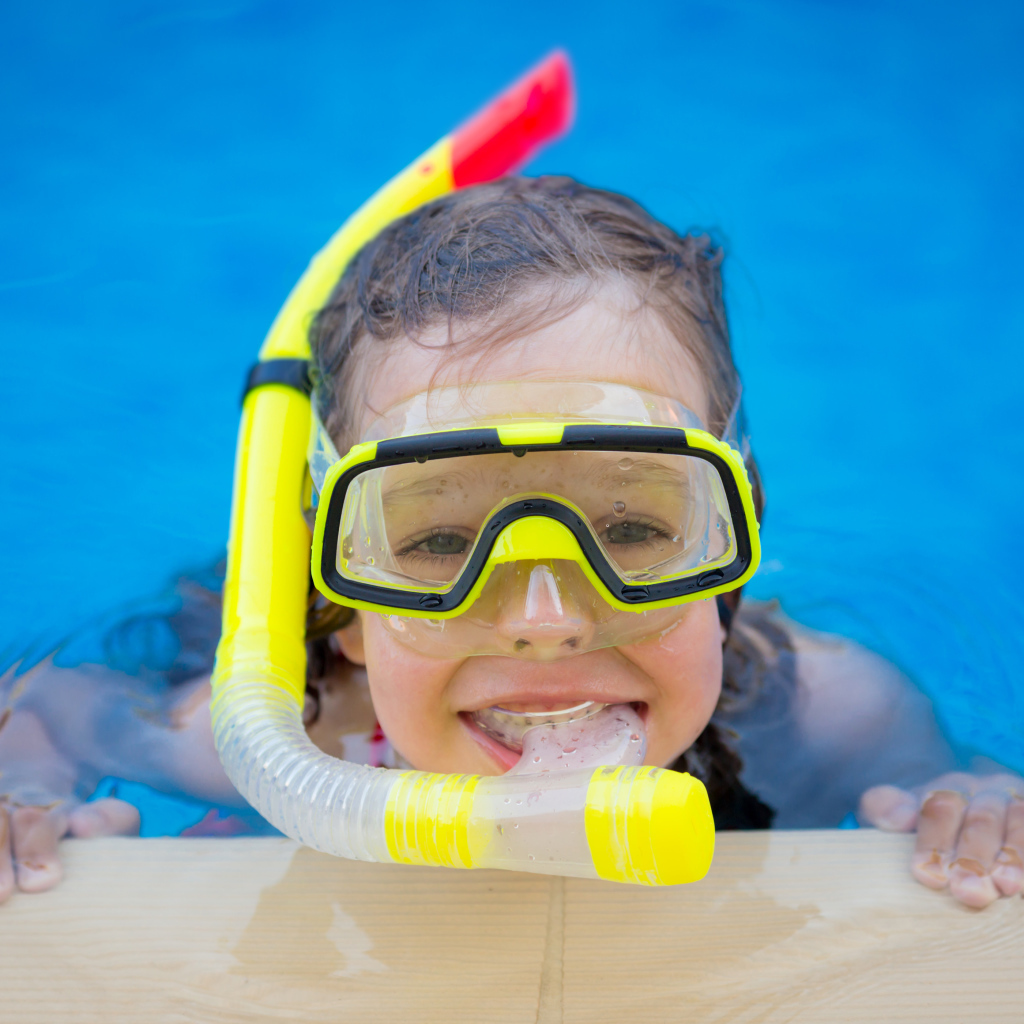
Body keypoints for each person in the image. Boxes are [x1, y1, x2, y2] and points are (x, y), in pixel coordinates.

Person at [2, 176, 1020, 907]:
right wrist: (28, 791)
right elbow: (50, 712)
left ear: (734, 543)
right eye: (441, 537)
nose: (546, 620)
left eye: (629, 525)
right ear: (342, 597)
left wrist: (971, 802)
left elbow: (955, 789)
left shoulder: (825, 717)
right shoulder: (292, 741)